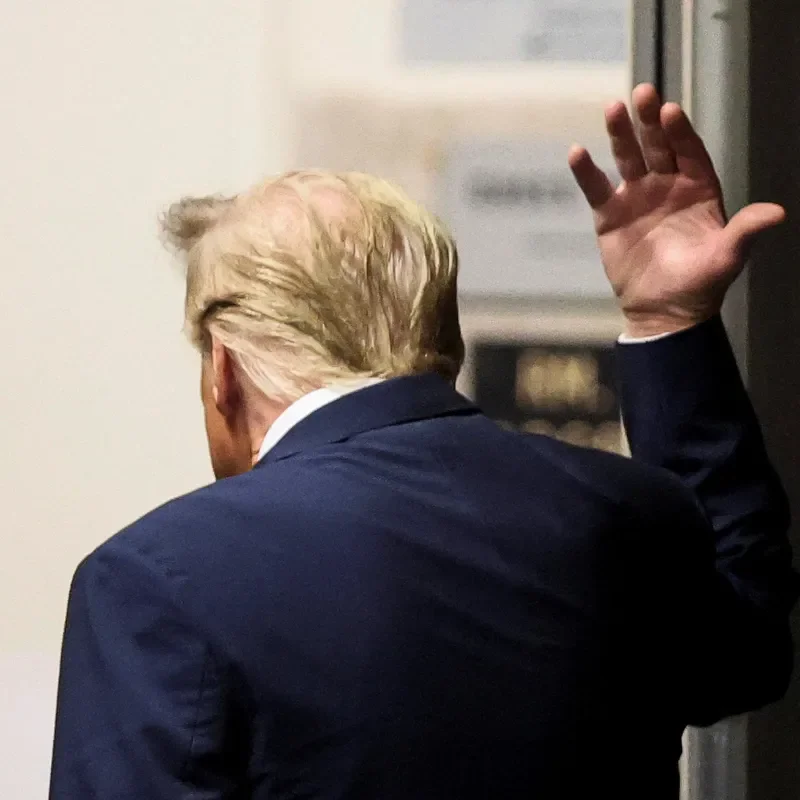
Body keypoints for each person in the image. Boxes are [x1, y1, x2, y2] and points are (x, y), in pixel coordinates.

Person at [49, 85, 798, 799]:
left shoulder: (156, 581)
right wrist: (672, 325)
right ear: (441, 335)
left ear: (224, 367)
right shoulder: (625, 515)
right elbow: (751, 650)